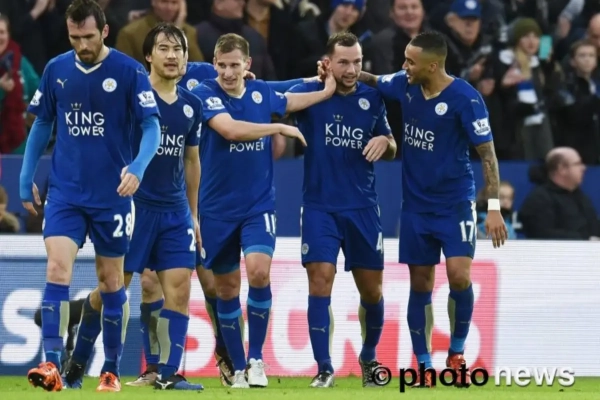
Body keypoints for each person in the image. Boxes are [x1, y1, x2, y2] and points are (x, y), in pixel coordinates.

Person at [346, 31, 507, 387]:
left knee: (459, 276)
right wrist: (340, 71)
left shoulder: (466, 99)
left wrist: (493, 207)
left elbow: (487, 155)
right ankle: (423, 365)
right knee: (420, 283)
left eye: (411, 61)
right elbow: (373, 79)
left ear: (432, 66)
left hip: (455, 204)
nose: (404, 66)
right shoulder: (405, 85)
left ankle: (457, 353)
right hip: (416, 207)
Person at [19, 0, 161, 392]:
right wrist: (26, 175)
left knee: (111, 281)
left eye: (88, 37)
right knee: (56, 270)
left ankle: (110, 369)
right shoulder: (56, 69)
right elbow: (42, 122)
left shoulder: (130, 72)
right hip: (65, 192)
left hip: (112, 195)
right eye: (74, 37)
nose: (82, 45)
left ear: (104, 32)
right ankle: (51, 363)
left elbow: (152, 126)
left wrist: (138, 166)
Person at [62, 23, 204, 391]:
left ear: (186, 57)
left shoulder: (192, 105)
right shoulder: (130, 99)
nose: (171, 55)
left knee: (179, 290)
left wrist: (193, 213)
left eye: (178, 49)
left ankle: (168, 374)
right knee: (113, 291)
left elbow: (191, 160)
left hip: (174, 211)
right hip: (133, 207)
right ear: (148, 56)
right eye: (164, 48)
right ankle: (78, 358)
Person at [191, 32, 335, 388]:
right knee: (226, 289)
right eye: (222, 66)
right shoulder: (205, 94)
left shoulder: (260, 92)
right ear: (214, 65)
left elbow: (292, 95)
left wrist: (325, 87)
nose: (228, 73)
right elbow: (231, 131)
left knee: (258, 272)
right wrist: (279, 126)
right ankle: (238, 367)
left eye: (234, 65)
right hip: (216, 209)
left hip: (257, 206)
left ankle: (256, 359)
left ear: (247, 65)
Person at [288, 32, 396, 388]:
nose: (351, 69)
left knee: (372, 292)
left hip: (362, 207)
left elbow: (391, 145)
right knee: (319, 281)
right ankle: (324, 367)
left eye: (357, 62)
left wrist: (385, 141)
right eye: (344, 62)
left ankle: (368, 357)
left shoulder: (373, 98)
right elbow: (276, 103)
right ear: (328, 63)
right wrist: (316, 84)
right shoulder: (311, 95)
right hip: (319, 207)